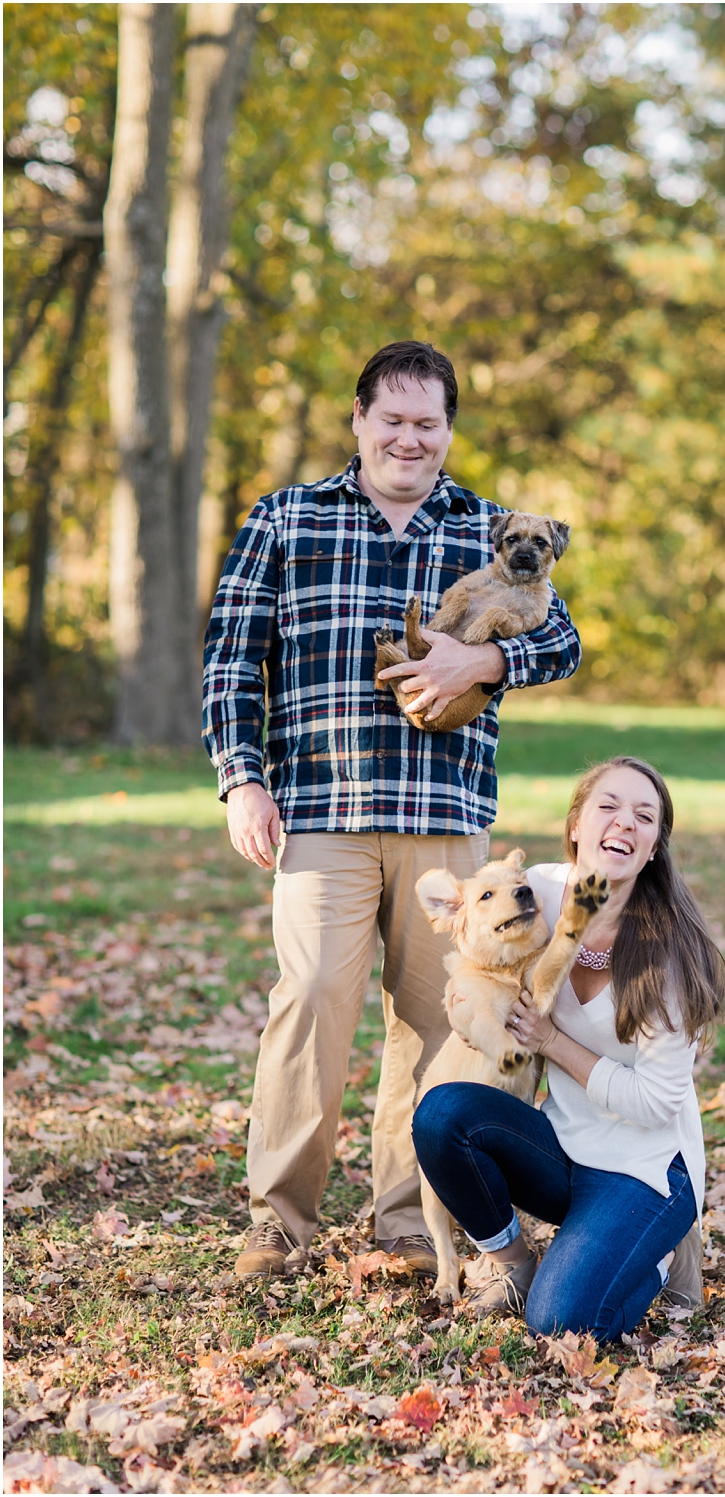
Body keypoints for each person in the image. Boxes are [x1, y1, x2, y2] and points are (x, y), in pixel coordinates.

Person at [202, 341, 581, 1279]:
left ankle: (410, 1220)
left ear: (447, 430)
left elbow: (565, 641)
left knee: (436, 1023)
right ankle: (279, 1222)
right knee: (310, 1002)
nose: (409, 438)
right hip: (319, 808)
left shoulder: (492, 528)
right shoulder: (284, 518)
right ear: (360, 419)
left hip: (445, 817)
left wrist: (483, 659)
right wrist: (242, 778)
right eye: (393, 419)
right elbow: (230, 657)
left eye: (428, 423)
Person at [412, 756, 725, 1340]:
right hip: (563, 1143)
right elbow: (476, 949)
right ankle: (511, 1262)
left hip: (646, 1167)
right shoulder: (539, 892)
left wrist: (552, 1042)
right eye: (609, 806)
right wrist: (464, 1003)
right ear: (577, 825)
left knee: (561, 1320)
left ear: (653, 848)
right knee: (441, 1112)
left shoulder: (668, 954)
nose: (625, 822)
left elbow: (657, 1104)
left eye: (644, 816)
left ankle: (655, 1259)